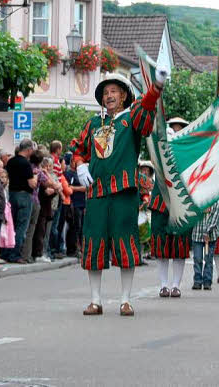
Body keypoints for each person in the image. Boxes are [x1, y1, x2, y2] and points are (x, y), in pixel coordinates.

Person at [73, 68, 168, 317]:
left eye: (114, 91)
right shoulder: (93, 123)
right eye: (105, 92)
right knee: (94, 243)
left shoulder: (132, 118)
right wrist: (80, 164)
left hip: (124, 189)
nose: (109, 96)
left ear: (124, 95)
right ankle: (95, 300)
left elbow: (147, 109)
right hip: (96, 192)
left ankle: (126, 300)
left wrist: (156, 86)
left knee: (125, 242)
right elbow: (78, 149)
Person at [150, 116, 192, 297]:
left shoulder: (188, 152)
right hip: (160, 202)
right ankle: (163, 284)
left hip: (180, 202)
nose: (175, 132)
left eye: (178, 130)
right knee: (161, 244)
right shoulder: (159, 149)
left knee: (180, 245)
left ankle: (176, 285)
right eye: (172, 129)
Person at [4, 140, 37, 263]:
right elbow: (32, 183)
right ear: (28, 150)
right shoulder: (26, 164)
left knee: (11, 225)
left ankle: (6, 252)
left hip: (12, 194)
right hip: (24, 195)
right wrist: (35, 177)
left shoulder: (11, 161)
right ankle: (15, 255)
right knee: (21, 227)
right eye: (31, 150)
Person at [190, 202, 219, 291]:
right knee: (197, 258)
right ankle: (197, 281)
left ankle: (207, 281)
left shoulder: (217, 201)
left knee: (208, 259)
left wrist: (207, 231)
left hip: (210, 235)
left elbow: (215, 217)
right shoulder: (197, 199)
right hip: (197, 233)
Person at [64, 153, 86, 258]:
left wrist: (75, 188)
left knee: (82, 228)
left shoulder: (80, 173)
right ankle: (73, 249)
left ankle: (81, 248)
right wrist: (78, 188)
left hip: (83, 203)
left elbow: (87, 187)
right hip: (74, 203)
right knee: (75, 227)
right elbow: (68, 187)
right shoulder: (68, 174)